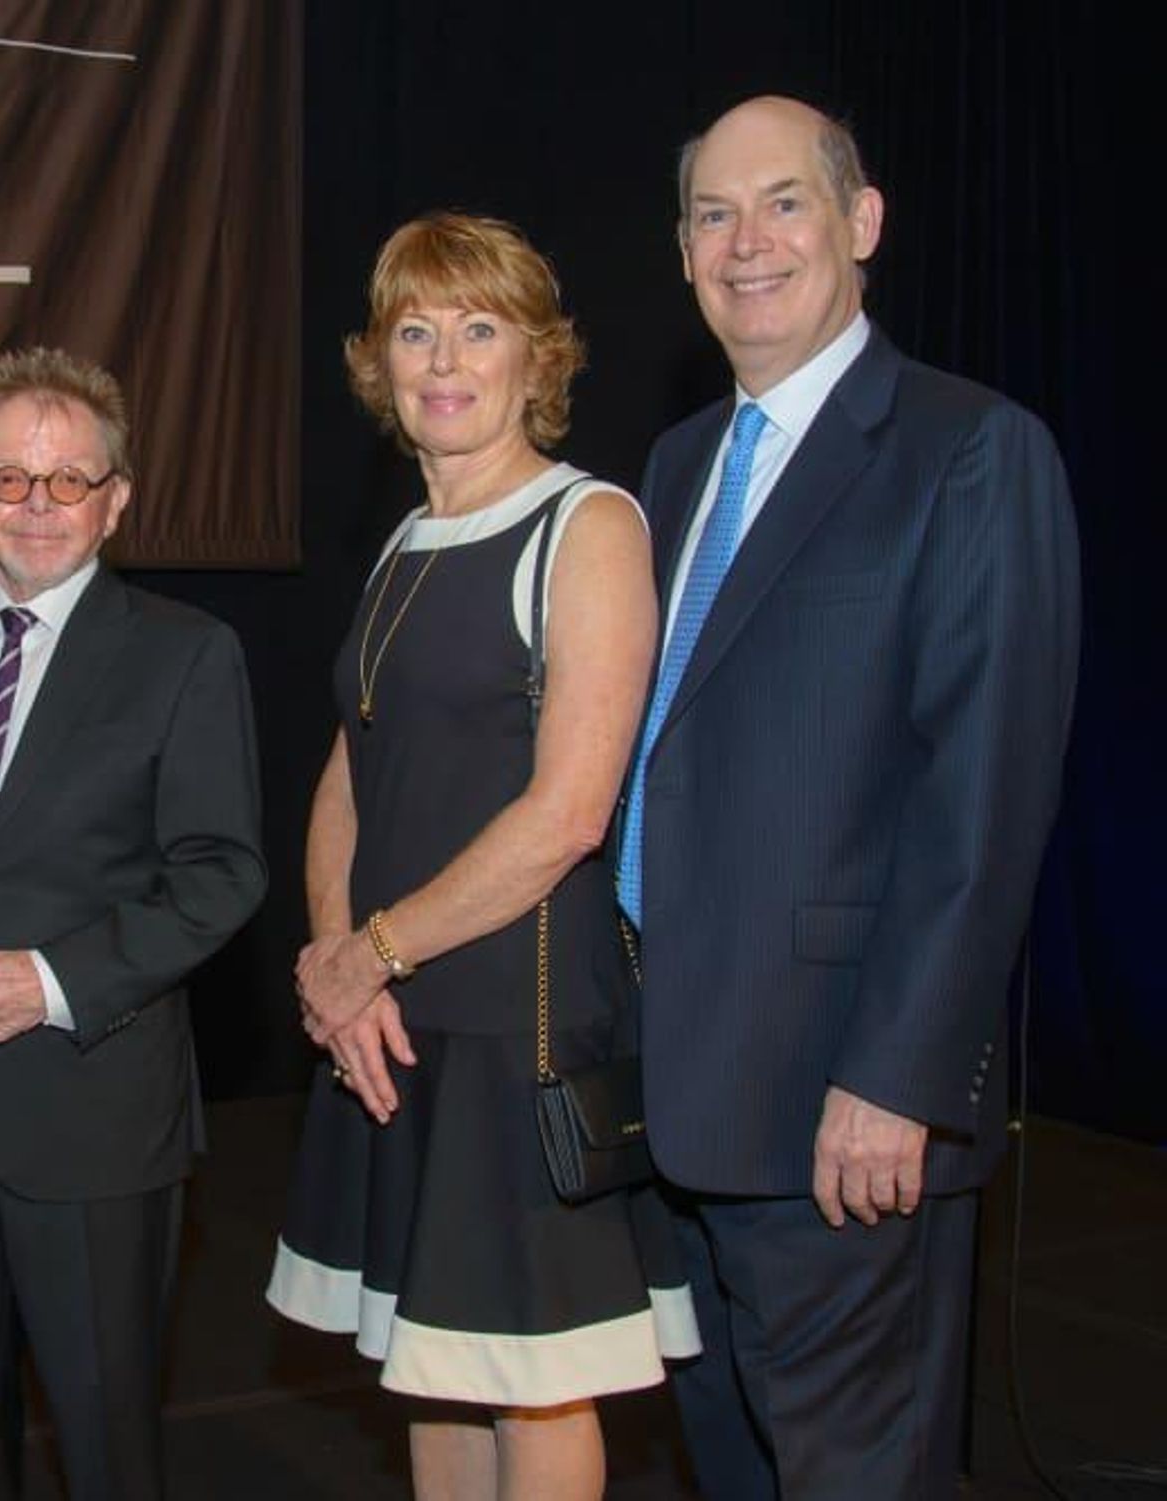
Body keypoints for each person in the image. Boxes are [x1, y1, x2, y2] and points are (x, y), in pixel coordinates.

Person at [620, 97, 1080, 1500]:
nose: (745, 243)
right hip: (674, 1103)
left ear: (861, 221)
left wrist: (896, 1076)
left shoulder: (970, 450)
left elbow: (981, 800)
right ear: (682, 251)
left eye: (784, 204)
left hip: (842, 1112)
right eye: (712, 215)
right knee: (734, 1469)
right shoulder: (677, 465)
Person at [267, 212, 699, 1501]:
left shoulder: (588, 524)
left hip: (520, 1024)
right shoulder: (402, 542)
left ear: (536, 357)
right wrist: (334, 963)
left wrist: (371, 952)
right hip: (396, 1026)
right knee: (432, 1362)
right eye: (415, 331)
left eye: (477, 328)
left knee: (532, 1376)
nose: (443, 360)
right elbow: (347, 774)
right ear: (377, 365)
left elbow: (569, 813)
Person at [0, 346, 265, 1501]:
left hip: (95, 1112)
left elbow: (221, 873)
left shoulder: (185, 652)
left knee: (105, 1444)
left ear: (115, 499)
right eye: (9, 479)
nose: (37, 504)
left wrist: (49, 981)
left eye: (69, 479)